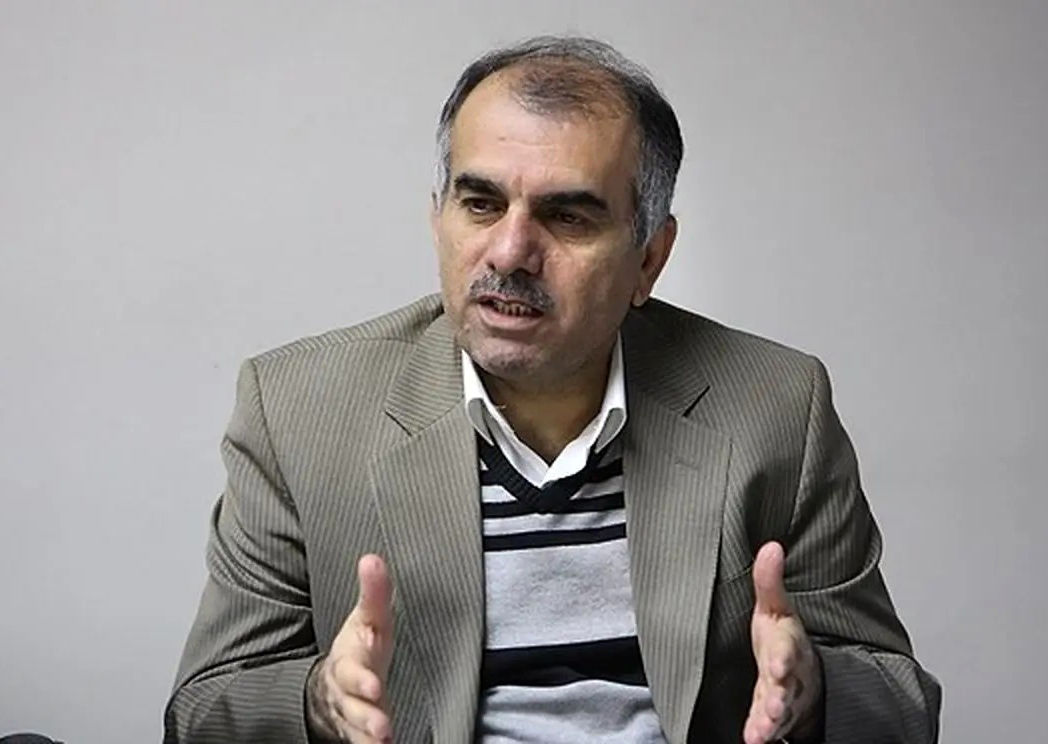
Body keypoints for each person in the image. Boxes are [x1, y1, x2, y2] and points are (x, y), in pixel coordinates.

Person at [164, 35, 941, 744]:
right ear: (437, 218)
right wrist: (317, 704)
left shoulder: (774, 406)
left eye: (567, 216)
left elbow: (903, 707)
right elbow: (199, 713)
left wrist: (815, 695)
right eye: (480, 203)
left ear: (649, 258)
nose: (510, 251)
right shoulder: (298, 409)